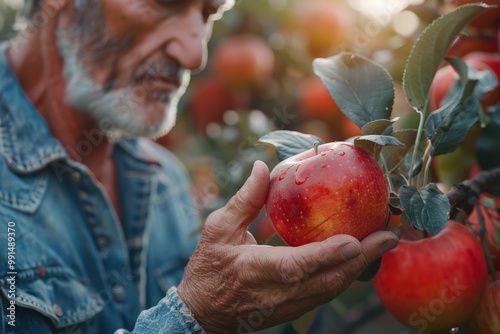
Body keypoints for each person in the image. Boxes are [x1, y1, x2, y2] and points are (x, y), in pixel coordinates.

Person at [0, 0, 400, 333]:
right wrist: (194, 317)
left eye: (207, 15)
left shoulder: (165, 179)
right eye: (165, 3)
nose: (195, 54)